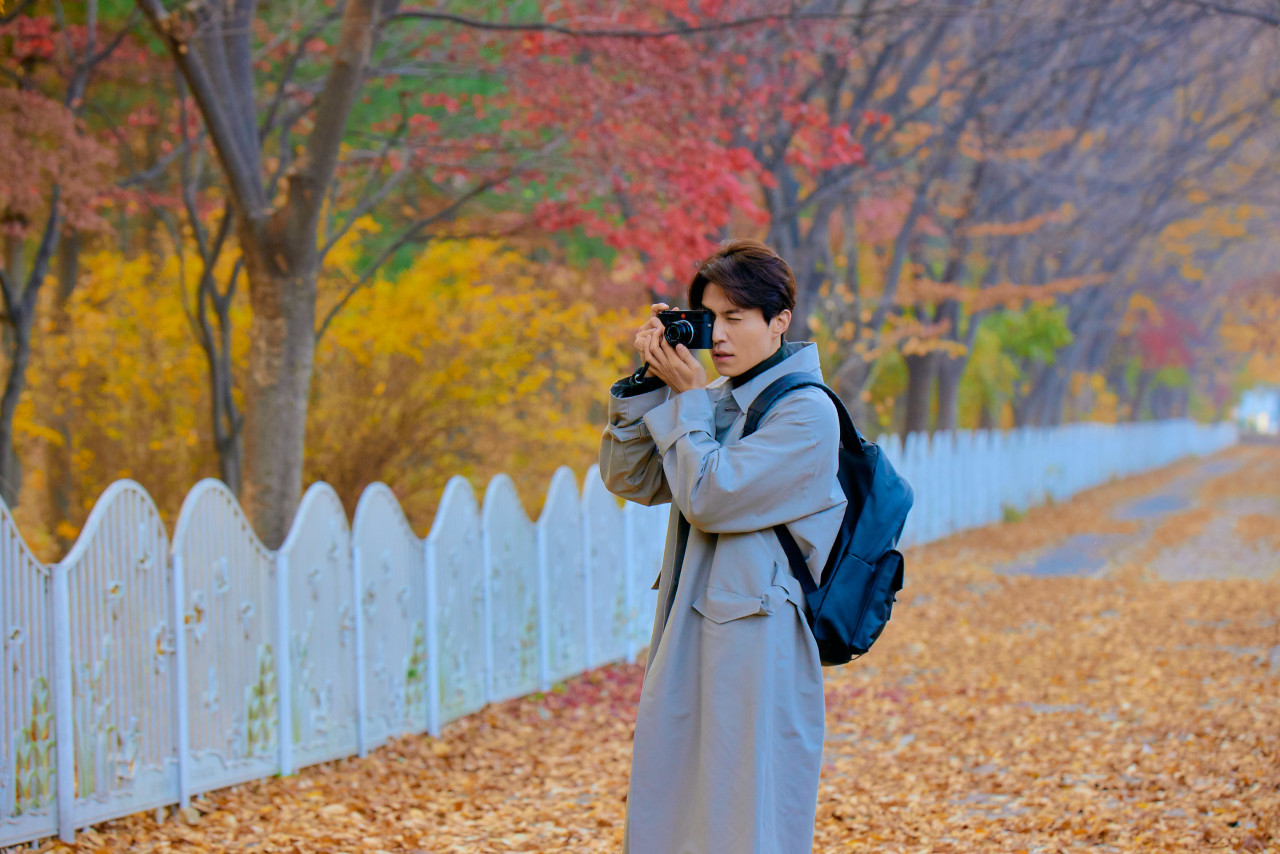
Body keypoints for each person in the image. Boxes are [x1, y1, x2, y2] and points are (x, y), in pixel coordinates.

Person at [599, 239, 848, 854]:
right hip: (692, 624)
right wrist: (649, 384)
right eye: (712, 319)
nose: (722, 337)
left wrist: (686, 400)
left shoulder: (807, 413)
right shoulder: (718, 402)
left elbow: (712, 495)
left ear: (780, 320)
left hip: (757, 640)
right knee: (675, 798)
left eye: (737, 318)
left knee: (744, 807)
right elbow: (635, 479)